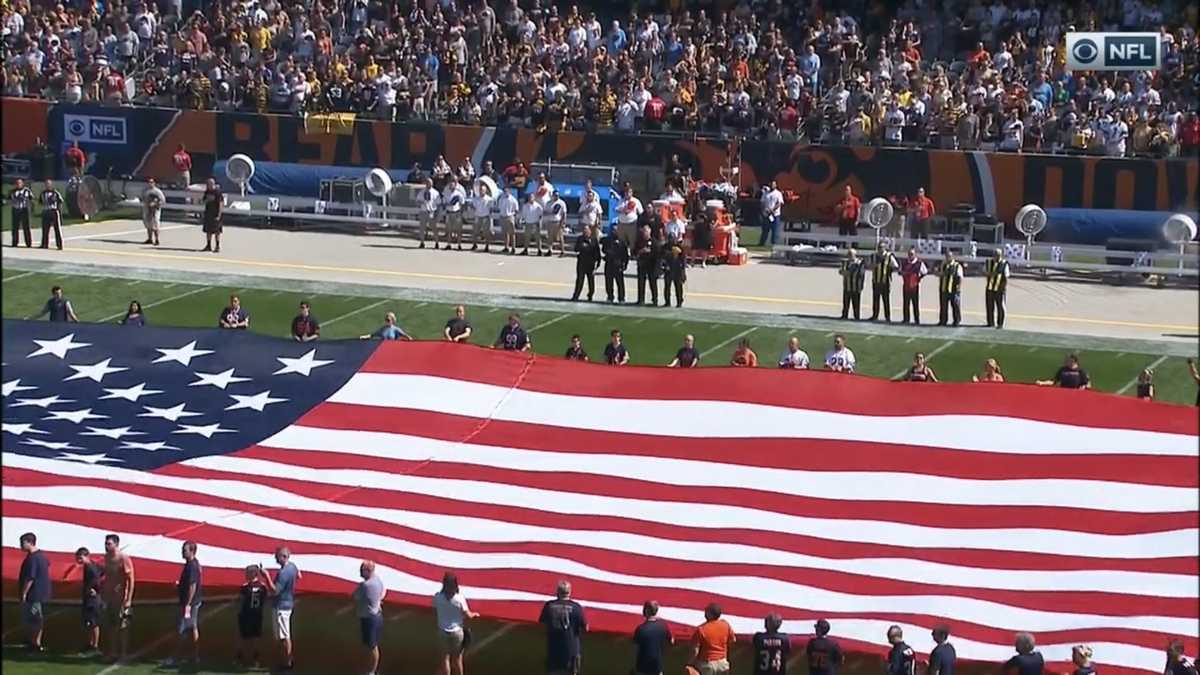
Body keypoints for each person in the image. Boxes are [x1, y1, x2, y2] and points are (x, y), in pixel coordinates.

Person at [161, 540, 202, 668]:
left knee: (183, 629)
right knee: (191, 628)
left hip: (190, 603)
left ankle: (176, 658)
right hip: (192, 602)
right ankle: (194, 657)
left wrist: (188, 604)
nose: (182, 552)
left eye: (185, 550)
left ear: (192, 551)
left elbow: (192, 586)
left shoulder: (192, 566)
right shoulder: (193, 564)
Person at [258, 547, 299, 671]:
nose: (275, 558)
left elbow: (275, 590)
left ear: (284, 557)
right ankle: (286, 661)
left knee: (284, 636)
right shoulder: (293, 567)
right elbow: (299, 576)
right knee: (283, 635)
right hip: (288, 603)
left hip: (281, 606)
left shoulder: (283, 573)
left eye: (277, 556)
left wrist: (266, 577)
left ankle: (287, 662)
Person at [61, 547, 104, 655]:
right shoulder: (91, 565)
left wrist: (95, 590)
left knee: (93, 622)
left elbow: (97, 579)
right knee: (89, 622)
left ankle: (95, 645)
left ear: (86, 556)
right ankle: (91, 644)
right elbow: (102, 571)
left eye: (80, 557)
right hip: (90, 598)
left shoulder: (90, 568)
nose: (78, 560)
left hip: (92, 599)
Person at [433, 572, 479, 675]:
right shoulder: (459, 599)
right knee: (457, 658)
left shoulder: (437, 597)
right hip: (457, 632)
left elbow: (435, 609)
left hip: (442, 632)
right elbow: (468, 615)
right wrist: (474, 614)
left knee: (445, 659)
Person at [539, 580, 587, 675]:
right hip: (571, 650)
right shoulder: (576, 607)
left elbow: (542, 622)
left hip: (554, 649)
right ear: (569, 592)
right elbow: (585, 626)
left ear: (557, 591)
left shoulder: (549, 605)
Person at [101, 533, 135, 662]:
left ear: (116, 544)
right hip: (110, 597)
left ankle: (123, 653)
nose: (106, 546)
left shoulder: (123, 558)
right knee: (111, 625)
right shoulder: (107, 558)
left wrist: (128, 599)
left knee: (122, 626)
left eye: (109, 544)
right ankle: (113, 652)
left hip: (121, 597)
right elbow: (107, 577)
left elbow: (131, 579)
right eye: (106, 544)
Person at [18, 532, 51, 652]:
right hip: (41, 593)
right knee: (36, 619)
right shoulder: (42, 556)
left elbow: (30, 577)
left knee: (34, 620)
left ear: (30, 542)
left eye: (23, 543)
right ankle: (34, 642)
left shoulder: (33, 558)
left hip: (34, 594)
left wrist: (24, 593)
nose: (21, 546)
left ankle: (35, 644)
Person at [354, 560, 386, 675]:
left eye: (362, 570)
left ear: (368, 571)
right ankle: (370, 669)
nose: (360, 573)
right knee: (372, 645)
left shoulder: (365, 585)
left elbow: (356, 596)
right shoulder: (377, 580)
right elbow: (383, 591)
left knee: (372, 646)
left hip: (369, 619)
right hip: (377, 615)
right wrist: (378, 601)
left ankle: (371, 671)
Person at [236, 565, 268, 669]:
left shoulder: (245, 587)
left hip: (246, 614)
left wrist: (239, 611)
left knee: (243, 637)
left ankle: (241, 658)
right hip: (257, 615)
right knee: (256, 638)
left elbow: (241, 601)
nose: (245, 575)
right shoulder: (262, 587)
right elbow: (265, 600)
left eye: (247, 573)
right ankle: (255, 660)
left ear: (252, 574)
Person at [690, 602, 735, 675]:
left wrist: (690, 663)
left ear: (709, 614)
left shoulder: (701, 629)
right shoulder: (725, 625)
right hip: (722, 663)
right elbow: (732, 640)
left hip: (707, 664)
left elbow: (695, 651)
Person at [633, 601, 673, 675]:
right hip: (657, 666)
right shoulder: (663, 626)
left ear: (647, 610)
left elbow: (635, 649)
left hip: (642, 668)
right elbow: (671, 641)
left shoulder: (641, 629)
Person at [870, 243, 899, 322]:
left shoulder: (889, 256)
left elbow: (896, 266)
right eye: (879, 247)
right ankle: (875, 315)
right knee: (875, 299)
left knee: (886, 300)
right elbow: (869, 266)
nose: (880, 249)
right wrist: (874, 265)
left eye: (882, 247)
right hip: (876, 281)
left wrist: (890, 269)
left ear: (885, 248)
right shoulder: (874, 256)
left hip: (885, 282)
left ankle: (887, 317)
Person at [634, 226, 662, 306]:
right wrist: (640, 251)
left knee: (652, 282)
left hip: (651, 265)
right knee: (641, 282)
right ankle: (640, 299)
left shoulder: (654, 242)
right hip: (642, 264)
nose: (644, 233)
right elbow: (634, 252)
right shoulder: (639, 241)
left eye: (646, 231)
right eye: (643, 231)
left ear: (649, 232)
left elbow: (658, 254)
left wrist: (650, 252)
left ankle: (655, 299)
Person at [899, 248, 928, 324]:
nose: (910, 256)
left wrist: (919, 278)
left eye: (912, 254)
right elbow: (900, 271)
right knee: (906, 303)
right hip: (906, 285)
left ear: (915, 255)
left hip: (914, 286)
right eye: (909, 254)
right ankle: (906, 319)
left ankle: (917, 319)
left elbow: (925, 271)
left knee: (915, 304)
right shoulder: (904, 263)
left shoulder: (919, 263)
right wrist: (903, 273)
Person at [572, 224, 601, 301]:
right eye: (584, 230)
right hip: (581, 263)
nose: (585, 231)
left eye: (587, 230)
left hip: (590, 263)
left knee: (591, 281)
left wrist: (597, 263)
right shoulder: (580, 239)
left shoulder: (594, 240)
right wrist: (581, 246)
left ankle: (590, 295)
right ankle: (576, 295)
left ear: (590, 231)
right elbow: (576, 249)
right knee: (580, 280)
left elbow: (597, 252)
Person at [601, 227, 629, 303]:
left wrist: (625, 265)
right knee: (609, 282)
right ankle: (610, 296)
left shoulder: (622, 241)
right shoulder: (608, 240)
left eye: (616, 230)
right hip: (609, 263)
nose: (615, 232)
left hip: (618, 264)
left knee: (620, 283)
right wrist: (608, 252)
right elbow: (603, 249)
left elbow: (625, 255)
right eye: (613, 230)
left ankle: (621, 298)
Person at [985, 248, 1011, 328]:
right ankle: (990, 322)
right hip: (990, 288)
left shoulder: (1004, 264)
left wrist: (1003, 288)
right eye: (994, 255)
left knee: (1000, 307)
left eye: (997, 255)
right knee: (989, 306)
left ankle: (1000, 323)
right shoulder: (989, 262)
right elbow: (984, 271)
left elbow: (1006, 277)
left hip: (999, 289)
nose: (995, 256)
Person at [937, 249, 964, 327]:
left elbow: (960, 277)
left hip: (953, 289)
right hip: (944, 288)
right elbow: (940, 274)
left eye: (949, 256)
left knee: (955, 306)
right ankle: (943, 320)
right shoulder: (943, 265)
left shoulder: (957, 266)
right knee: (943, 306)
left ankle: (957, 321)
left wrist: (959, 287)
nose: (948, 258)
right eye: (946, 256)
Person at [839, 247, 866, 320]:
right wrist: (847, 272)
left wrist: (861, 285)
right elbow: (841, 272)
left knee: (856, 305)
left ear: (855, 255)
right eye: (848, 254)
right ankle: (844, 316)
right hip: (847, 286)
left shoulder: (859, 263)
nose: (849, 255)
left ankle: (856, 317)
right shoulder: (845, 262)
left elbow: (861, 274)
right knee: (846, 304)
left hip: (856, 287)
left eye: (851, 254)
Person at [38, 178, 65, 250]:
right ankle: (44, 244)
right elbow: (40, 202)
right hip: (46, 211)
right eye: (46, 184)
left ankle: (59, 245)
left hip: (54, 211)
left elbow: (60, 202)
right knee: (45, 229)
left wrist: (59, 211)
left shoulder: (55, 193)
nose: (47, 185)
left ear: (51, 185)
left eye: (49, 184)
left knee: (57, 229)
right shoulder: (43, 193)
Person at [469, 180, 494, 252]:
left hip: (485, 217)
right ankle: (474, 244)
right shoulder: (476, 198)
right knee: (475, 231)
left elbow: (491, 208)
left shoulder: (489, 199)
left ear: (485, 191)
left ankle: (487, 246)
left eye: (483, 190)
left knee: (486, 233)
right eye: (480, 190)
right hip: (478, 216)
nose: (481, 191)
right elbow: (473, 206)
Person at [443, 178, 468, 251]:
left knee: (459, 230)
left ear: (455, 185)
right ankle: (449, 244)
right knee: (449, 230)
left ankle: (459, 245)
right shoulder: (446, 193)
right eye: (450, 185)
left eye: (453, 185)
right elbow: (444, 202)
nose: (451, 186)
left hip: (457, 212)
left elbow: (462, 203)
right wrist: (447, 205)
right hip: (449, 212)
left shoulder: (459, 193)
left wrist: (461, 212)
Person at [418, 177, 442, 249]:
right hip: (424, 211)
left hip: (432, 212)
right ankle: (422, 242)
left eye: (430, 183)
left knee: (434, 228)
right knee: (422, 228)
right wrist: (421, 202)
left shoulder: (435, 193)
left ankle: (437, 243)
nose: (429, 184)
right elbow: (417, 200)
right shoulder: (422, 192)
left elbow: (438, 204)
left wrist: (437, 214)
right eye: (427, 183)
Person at [201, 177, 223, 253]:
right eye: (207, 184)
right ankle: (208, 245)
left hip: (215, 214)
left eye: (209, 184)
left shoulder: (217, 192)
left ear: (213, 184)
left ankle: (217, 246)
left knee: (217, 231)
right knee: (208, 231)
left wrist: (219, 215)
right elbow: (203, 201)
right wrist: (207, 200)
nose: (208, 185)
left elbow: (221, 204)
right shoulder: (207, 192)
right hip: (208, 214)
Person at [759, 180, 784, 246]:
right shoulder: (765, 193)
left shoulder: (778, 193)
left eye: (773, 184)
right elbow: (762, 202)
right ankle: (762, 243)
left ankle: (774, 244)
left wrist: (772, 210)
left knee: (775, 230)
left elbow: (779, 203)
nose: (772, 185)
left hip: (775, 215)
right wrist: (765, 210)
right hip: (766, 215)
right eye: (771, 184)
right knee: (765, 230)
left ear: (776, 185)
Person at [10, 177, 34, 247]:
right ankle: (14, 242)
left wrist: (30, 208)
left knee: (26, 227)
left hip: (24, 210)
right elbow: (9, 199)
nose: (18, 184)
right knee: (15, 227)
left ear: (22, 183)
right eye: (17, 183)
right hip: (16, 210)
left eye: (20, 183)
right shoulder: (12, 191)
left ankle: (28, 243)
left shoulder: (27, 191)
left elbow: (32, 199)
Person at [495, 188, 519, 254]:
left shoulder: (513, 200)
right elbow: (499, 207)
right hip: (503, 216)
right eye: (505, 191)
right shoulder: (501, 199)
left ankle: (513, 248)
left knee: (512, 233)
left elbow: (516, 209)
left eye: (507, 191)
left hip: (510, 217)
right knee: (505, 233)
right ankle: (506, 247)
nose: (506, 192)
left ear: (509, 192)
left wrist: (513, 216)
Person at [141, 177, 165, 246]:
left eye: (151, 182)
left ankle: (157, 239)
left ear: (154, 183)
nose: (150, 183)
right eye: (149, 182)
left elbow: (162, 200)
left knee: (155, 224)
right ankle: (150, 239)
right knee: (148, 224)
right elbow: (143, 198)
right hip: (147, 209)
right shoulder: (145, 191)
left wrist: (155, 203)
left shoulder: (157, 191)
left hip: (155, 210)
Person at [662, 243, 687, 307]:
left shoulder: (681, 254)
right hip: (669, 271)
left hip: (677, 272)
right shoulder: (667, 251)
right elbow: (663, 260)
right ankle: (667, 302)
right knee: (667, 287)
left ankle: (679, 301)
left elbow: (683, 264)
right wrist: (665, 266)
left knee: (678, 287)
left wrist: (683, 274)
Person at [547, 190, 568, 257]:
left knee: (560, 238)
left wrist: (563, 222)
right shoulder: (549, 203)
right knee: (549, 237)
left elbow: (564, 213)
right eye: (555, 195)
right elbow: (546, 212)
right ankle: (550, 250)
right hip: (550, 221)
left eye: (557, 195)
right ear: (552, 195)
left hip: (558, 222)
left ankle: (562, 251)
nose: (556, 196)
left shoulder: (562, 203)